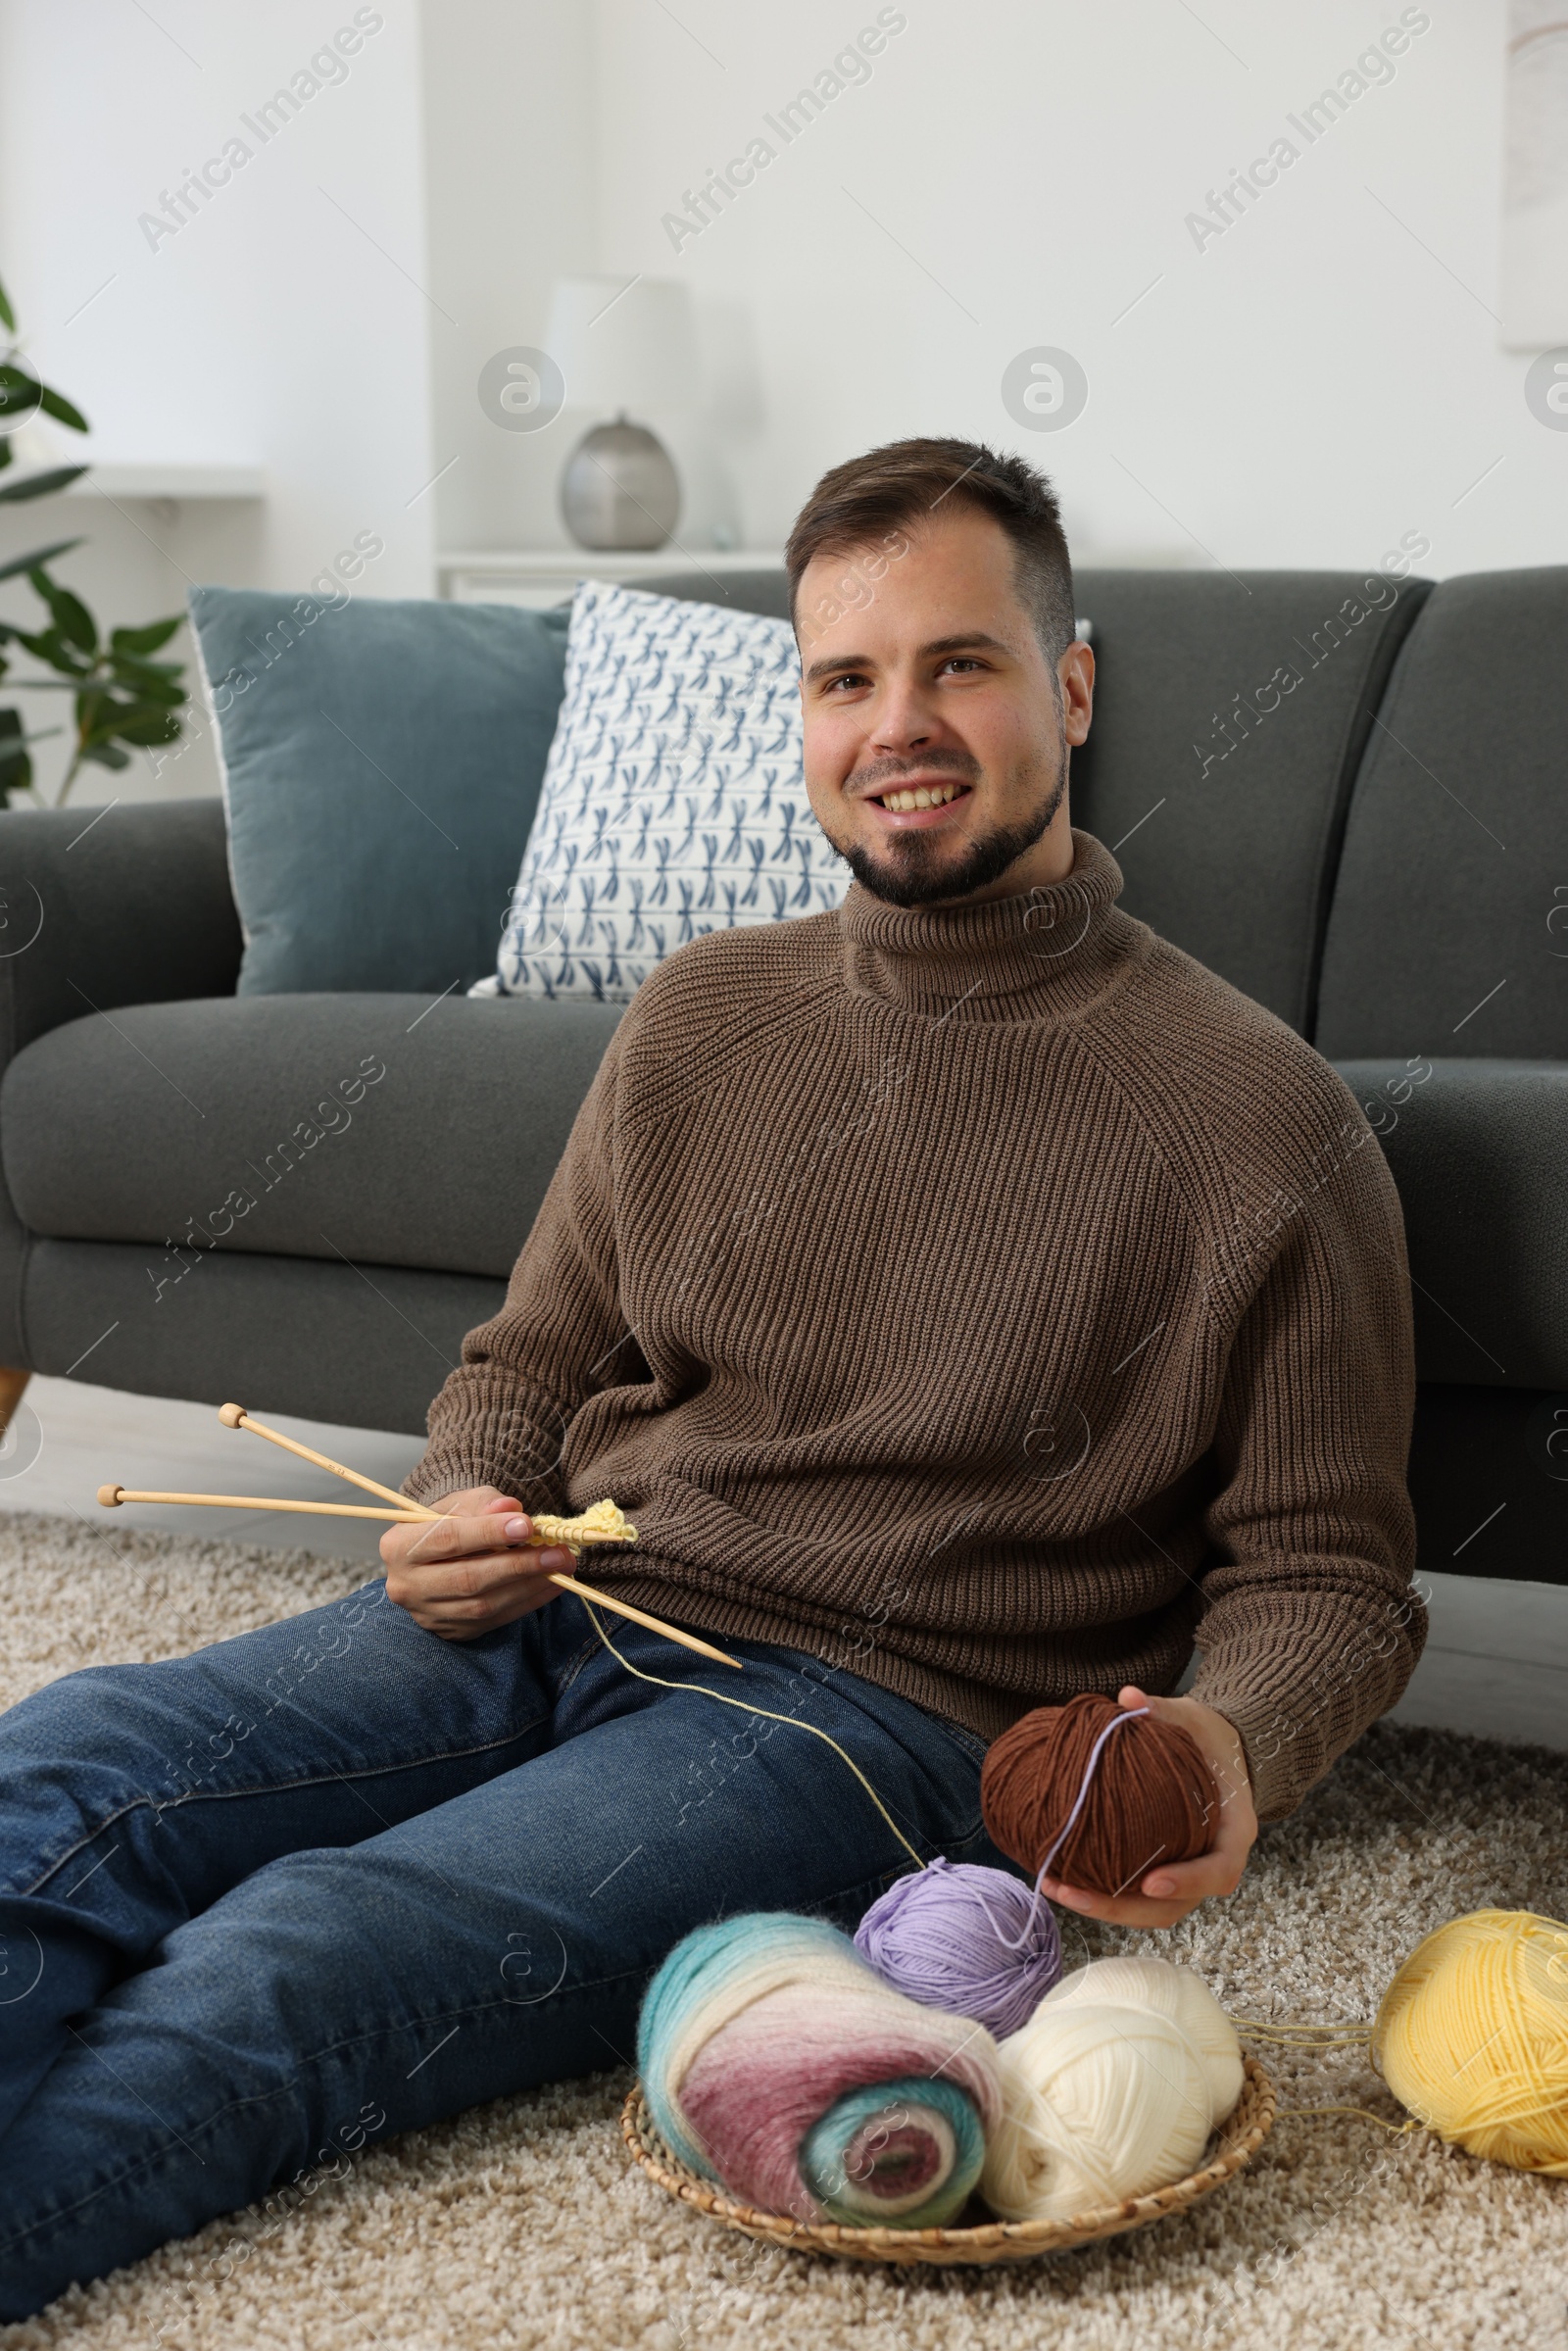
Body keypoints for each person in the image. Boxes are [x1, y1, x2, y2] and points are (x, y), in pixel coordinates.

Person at [0, 437, 1423, 2314]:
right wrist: (453, 1501)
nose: (897, 724)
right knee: (72, 1766)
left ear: (1071, 688)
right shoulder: (700, 1018)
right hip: (567, 1593)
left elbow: (1327, 1574)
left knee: (309, 1953)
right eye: (847, 678)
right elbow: (527, 1361)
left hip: (869, 1719)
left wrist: (1230, 1745)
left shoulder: (1262, 1119)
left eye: (961, 664)